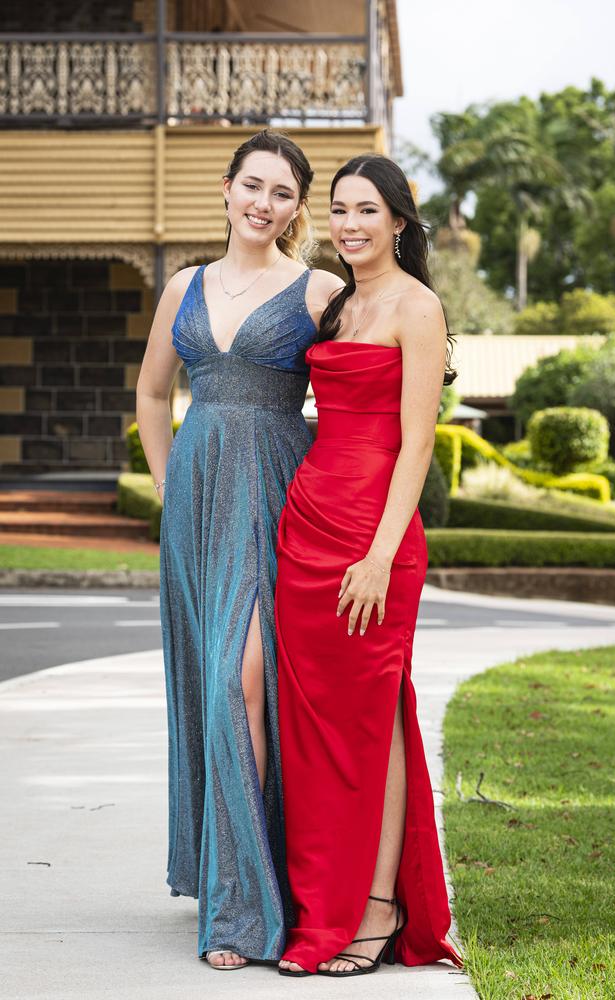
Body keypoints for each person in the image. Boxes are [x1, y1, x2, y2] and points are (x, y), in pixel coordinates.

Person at [136, 129, 342, 970]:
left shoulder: (320, 288)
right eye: (252, 185)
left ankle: (245, 905)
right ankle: (231, 882)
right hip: (194, 503)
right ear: (226, 189)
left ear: (297, 209)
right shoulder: (183, 284)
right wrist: (164, 481)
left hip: (276, 494)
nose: (264, 203)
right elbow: (154, 390)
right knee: (212, 682)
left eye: (283, 192)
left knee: (241, 679)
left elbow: (364, 393)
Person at [276, 153, 463, 977]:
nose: (351, 225)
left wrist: (381, 556)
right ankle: (322, 906)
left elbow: (416, 443)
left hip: (372, 539)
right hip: (307, 524)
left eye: (368, 211)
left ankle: (379, 908)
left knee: (372, 718)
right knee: (314, 730)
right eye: (341, 210)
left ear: (398, 220)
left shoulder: (417, 306)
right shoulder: (340, 305)